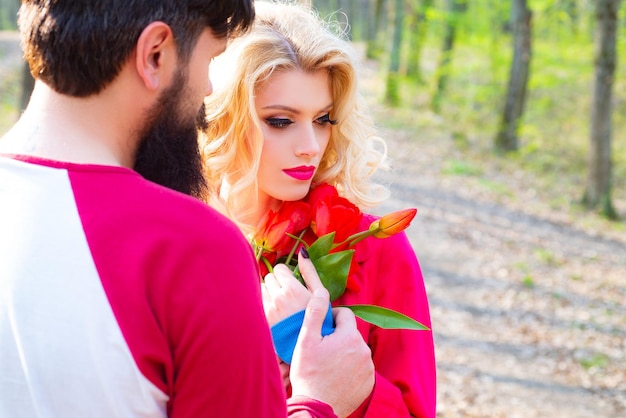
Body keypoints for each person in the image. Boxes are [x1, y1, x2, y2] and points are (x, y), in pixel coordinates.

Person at [0, 1, 375, 417]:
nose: (208, 93)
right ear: (155, 53)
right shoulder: (193, 246)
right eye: (210, 59)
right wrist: (318, 402)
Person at [201, 1, 437, 417]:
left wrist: (319, 352)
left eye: (323, 118)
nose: (310, 144)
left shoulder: (375, 250)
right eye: (280, 121)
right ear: (222, 119)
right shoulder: (178, 242)